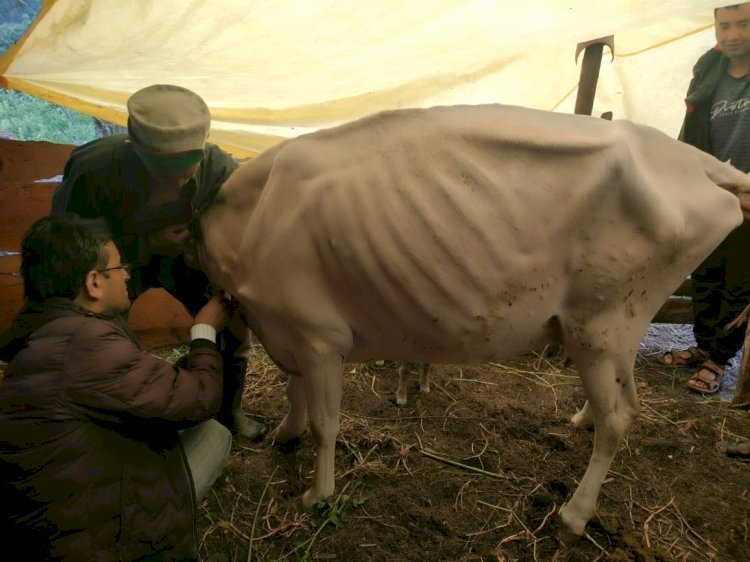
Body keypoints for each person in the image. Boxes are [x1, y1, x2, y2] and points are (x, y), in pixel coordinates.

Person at [0, 214, 234, 561]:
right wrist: (203, 332)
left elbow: (156, 388)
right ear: (94, 283)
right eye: (118, 267)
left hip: (53, 530)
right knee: (215, 434)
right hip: (98, 546)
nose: (127, 274)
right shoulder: (83, 344)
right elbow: (200, 398)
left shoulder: (42, 337)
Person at [51, 83, 266, 439]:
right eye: (160, 176)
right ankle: (112, 409)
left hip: (186, 261)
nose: (174, 187)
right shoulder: (94, 168)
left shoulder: (219, 169)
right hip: (115, 264)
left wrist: (201, 250)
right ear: (136, 151)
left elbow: (236, 232)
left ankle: (230, 411)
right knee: (99, 328)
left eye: (185, 176)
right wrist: (144, 243)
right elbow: (68, 243)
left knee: (230, 320)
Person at [660, 3, 750, 394]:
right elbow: (692, 133)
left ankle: (719, 359)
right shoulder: (708, 69)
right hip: (713, 190)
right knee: (708, 273)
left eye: (744, 24)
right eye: (724, 26)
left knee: (740, 280)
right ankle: (703, 344)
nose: (732, 34)